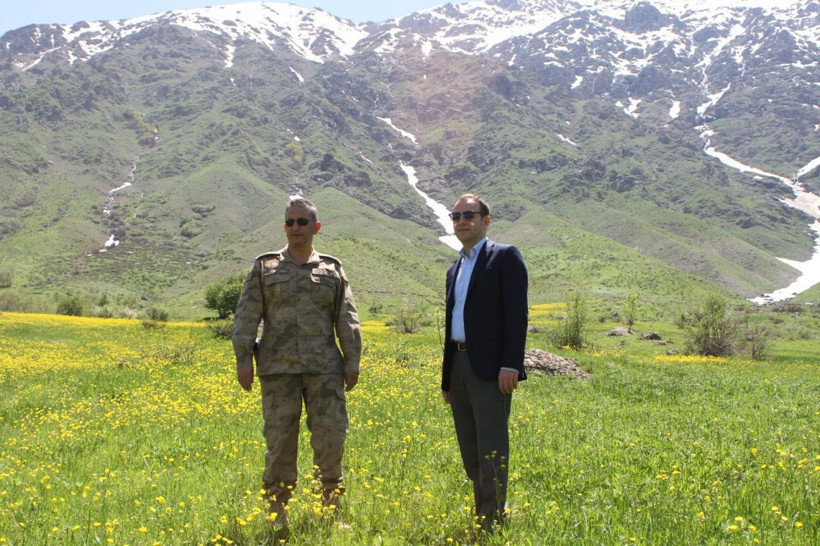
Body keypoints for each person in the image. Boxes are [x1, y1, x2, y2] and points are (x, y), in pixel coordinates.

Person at [232, 195, 362, 527]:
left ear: (315, 227)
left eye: (302, 222)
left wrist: (352, 361)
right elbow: (247, 316)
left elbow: (346, 319)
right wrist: (243, 358)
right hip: (278, 371)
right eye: (289, 222)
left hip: (325, 371)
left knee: (331, 439)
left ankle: (330, 512)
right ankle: (278, 513)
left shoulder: (331, 270)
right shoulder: (266, 267)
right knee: (279, 443)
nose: (295, 228)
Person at [441, 193, 528, 532]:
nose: (462, 221)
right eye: (456, 216)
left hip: (491, 369)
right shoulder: (454, 267)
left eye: (469, 215)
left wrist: (511, 364)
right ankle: (486, 511)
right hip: (459, 367)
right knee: (469, 447)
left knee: (491, 444)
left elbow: (517, 315)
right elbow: (451, 325)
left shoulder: (504, 257)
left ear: (485, 220)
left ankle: (491, 521)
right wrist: (447, 378)